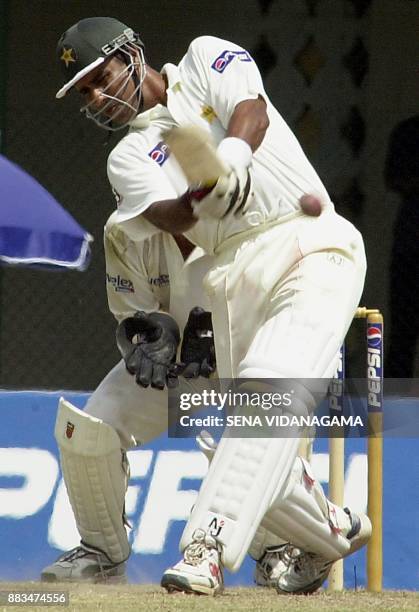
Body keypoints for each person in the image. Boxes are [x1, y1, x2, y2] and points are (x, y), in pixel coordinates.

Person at [43, 17, 372, 595]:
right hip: (229, 276)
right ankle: (329, 533)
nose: (95, 98)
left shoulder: (203, 60)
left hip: (308, 239)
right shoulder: (127, 157)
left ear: (132, 53)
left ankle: (207, 548)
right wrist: (204, 193)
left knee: (265, 395)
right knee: (237, 426)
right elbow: (172, 218)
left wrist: (236, 156)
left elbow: (254, 110)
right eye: (85, 93)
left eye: (100, 77)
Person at [384, 116, 419, 379]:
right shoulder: (409, 130)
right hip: (411, 246)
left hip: (409, 243)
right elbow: (392, 178)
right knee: (403, 335)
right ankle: (395, 412)